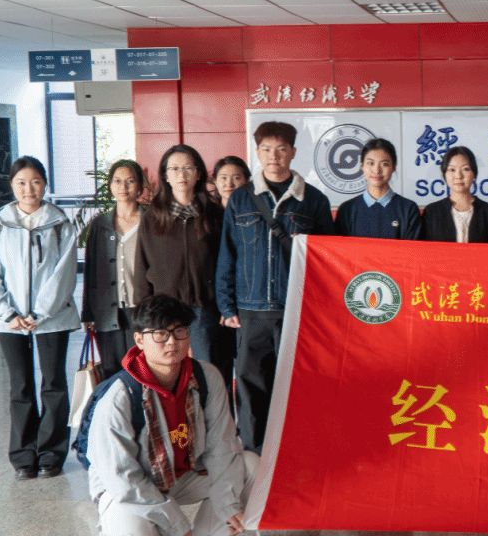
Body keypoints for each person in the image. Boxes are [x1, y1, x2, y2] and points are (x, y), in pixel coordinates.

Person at [88, 294, 260, 536]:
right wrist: (174, 522)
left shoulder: (206, 377)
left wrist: (228, 503)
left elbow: (222, 446)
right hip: (131, 486)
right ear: (139, 340)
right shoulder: (119, 396)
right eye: (160, 334)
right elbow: (122, 477)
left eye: (179, 331)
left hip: (183, 473)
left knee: (250, 465)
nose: (172, 342)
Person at [216, 121, 334, 453]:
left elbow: (328, 261)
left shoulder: (313, 201)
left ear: (293, 152)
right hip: (250, 310)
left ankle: (294, 453)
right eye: (267, 149)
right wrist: (226, 305)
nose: (274, 156)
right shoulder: (241, 199)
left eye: (281, 149)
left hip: (295, 309)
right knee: (251, 387)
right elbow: (228, 254)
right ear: (257, 152)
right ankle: (255, 454)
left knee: (298, 385)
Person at [0, 156, 81, 480]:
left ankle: (51, 454)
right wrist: (7, 312)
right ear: (11, 185)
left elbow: (64, 274)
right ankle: (24, 455)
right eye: (21, 182)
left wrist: (41, 312)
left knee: (54, 382)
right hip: (8, 320)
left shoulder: (60, 224)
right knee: (20, 384)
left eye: (35, 182)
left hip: (52, 317)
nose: (28, 189)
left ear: (45, 184)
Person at [134, 145, 228, 388]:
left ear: (199, 174)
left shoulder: (214, 214)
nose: (181, 174)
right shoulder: (152, 217)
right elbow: (142, 265)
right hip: (165, 312)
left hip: (205, 310)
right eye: (174, 169)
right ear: (165, 175)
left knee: (209, 375)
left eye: (188, 168)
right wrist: (143, 311)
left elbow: (227, 263)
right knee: (168, 377)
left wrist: (226, 305)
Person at [83, 159, 147, 379]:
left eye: (130, 181)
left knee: (143, 370)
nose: (123, 187)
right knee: (112, 372)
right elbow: (90, 270)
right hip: (107, 310)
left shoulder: (150, 222)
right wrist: (87, 313)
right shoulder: (99, 225)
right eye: (117, 181)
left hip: (141, 308)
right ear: (110, 186)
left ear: (140, 186)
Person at [335, 138, 423, 239]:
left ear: (394, 167)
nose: (377, 170)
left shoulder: (408, 209)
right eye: (371, 163)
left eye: (384, 164)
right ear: (362, 165)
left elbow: (411, 248)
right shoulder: (347, 210)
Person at [421, 146, 488, 243]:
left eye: (465, 169)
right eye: (452, 170)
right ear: (444, 174)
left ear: (474, 173)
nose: (458, 176)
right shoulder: (432, 212)